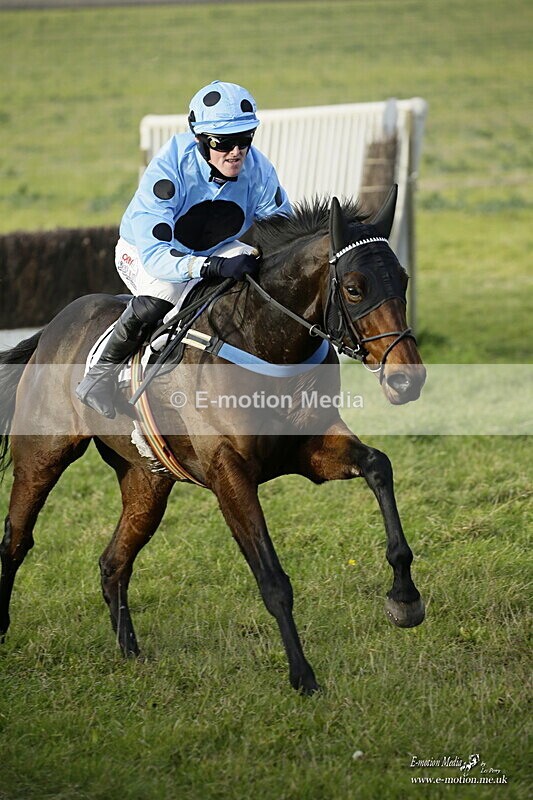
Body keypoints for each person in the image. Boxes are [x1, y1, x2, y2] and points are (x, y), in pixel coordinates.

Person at [76, 80, 292, 419]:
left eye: (244, 140)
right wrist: (212, 267)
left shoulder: (258, 169)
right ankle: (98, 376)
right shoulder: (168, 170)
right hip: (148, 252)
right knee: (163, 293)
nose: (236, 152)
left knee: (261, 270)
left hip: (215, 247)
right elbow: (158, 256)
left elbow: (283, 231)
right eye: (224, 143)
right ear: (201, 140)